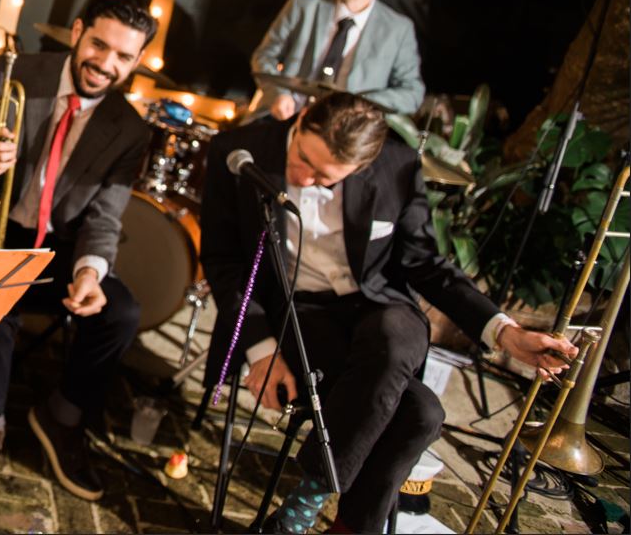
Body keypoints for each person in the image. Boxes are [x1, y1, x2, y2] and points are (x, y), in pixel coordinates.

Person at [200, 91, 577, 534]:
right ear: (300, 121)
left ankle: (305, 503)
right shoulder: (238, 151)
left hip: (379, 309)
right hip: (298, 314)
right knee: (421, 415)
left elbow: (426, 265)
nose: (303, 177)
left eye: (324, 177)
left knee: (395, 339)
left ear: (361, 167)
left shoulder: (397, 166)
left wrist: (505, 333)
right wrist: (262, 350)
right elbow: (223, 264)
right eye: (303, 158)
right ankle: (335, 525)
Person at [0, 0, 156, 504]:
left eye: (123, 56)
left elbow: (104, 217)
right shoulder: (18, 73)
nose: (105, 64)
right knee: (0, 289)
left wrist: (89, 274)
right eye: (98, 45)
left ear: (137, 60)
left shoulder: (130, 129)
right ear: (77, 32)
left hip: (52, 246)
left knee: (121, 312)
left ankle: (62, 416)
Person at [250, 0, 424, 119]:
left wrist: (358, 103)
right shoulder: (302, 5)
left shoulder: (398, 29)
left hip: (343, 130)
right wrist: (279, 94)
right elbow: (264, 56)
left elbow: (412, 93)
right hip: (284, 119)